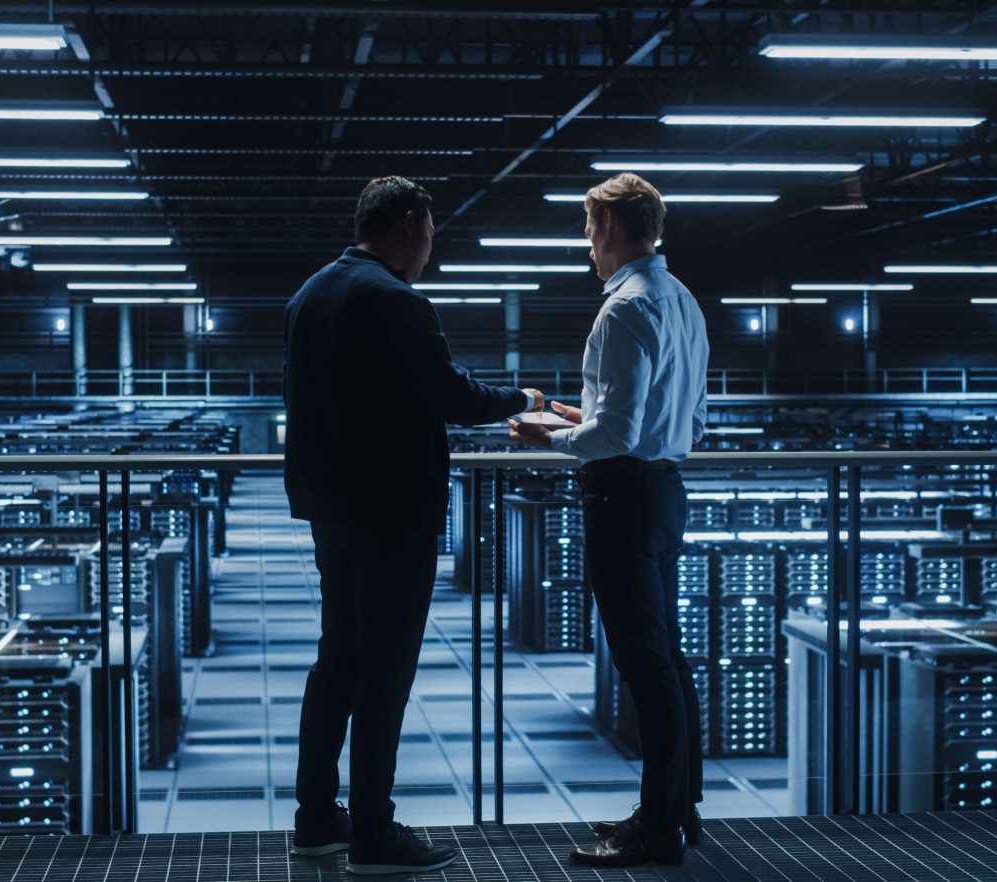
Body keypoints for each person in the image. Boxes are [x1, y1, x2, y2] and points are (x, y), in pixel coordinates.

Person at [284, 176, 543, 875]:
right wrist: (523, 399)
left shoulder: (311, 292)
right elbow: (449, 394)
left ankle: (315, 818)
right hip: (392, 513)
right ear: (407, 223)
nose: (431, 246)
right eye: (430, 231)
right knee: (385, 673)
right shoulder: (394, 299)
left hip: (331, 511)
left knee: (337, 659)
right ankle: (374, 833)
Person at [509, 172, 709, 868]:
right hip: (664, 491)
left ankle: (656, 829)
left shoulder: (625, 307)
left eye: (590, 226)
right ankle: (678, 811)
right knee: (668, 658)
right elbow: (679, 418)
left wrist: (549, 437)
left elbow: (616, 435)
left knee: (644, 663)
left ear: (616, 228)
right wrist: (580, 418)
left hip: (621, 497)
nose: (586, 240)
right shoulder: (679, 299)